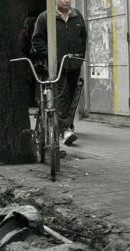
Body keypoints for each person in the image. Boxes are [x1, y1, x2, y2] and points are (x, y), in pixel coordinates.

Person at [31, 0, 87, 146]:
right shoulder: (45, 17)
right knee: (62, 96)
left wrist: (80, 56)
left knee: (72, 97)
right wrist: (51, 55)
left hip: (74, 64)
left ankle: (66, 126)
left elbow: (83, 37)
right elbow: (36, 40)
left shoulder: (77, 16)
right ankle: (65, 130)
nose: (66, 0)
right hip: (57, 66)